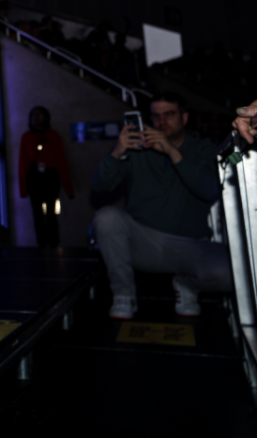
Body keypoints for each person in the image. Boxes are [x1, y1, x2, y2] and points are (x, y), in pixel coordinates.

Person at [90, 92, 228, 319]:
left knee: (234, 272)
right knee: (106, 217)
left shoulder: (202, 148)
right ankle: (124, 294)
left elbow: (209, 189)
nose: (161, 122)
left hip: (189, 244)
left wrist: (172, 152)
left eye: (169, 115)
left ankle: (186, 285)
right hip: (144, 242)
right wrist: (116, 152)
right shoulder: (137, 149)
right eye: (156, 116)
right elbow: (99, 186)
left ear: (184, 118)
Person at [18, 106, 73, 247]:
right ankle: (41, 244)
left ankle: (54, 243)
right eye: (33, 115)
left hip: (50, 177)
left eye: (40, 115)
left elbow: (61, 161)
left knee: (51, 213)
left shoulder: (53, 136)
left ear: (47, 117)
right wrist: (23, 189)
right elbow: (23, 163)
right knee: (37, 213)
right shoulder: (27, 137)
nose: (36, 118)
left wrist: (69, 189)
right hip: (35, 178)